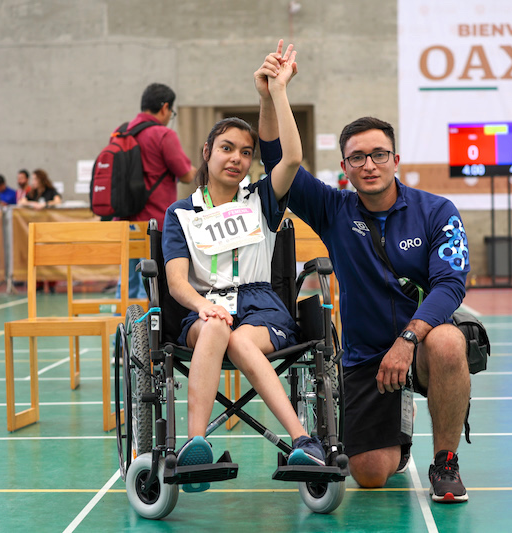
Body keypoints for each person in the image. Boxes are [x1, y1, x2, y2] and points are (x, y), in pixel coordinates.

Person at [259, 107, 471, 501]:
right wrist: (272, 96)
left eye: (379, 154)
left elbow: (450, 284)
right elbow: (277, 158)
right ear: (344, 166)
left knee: (448, 342)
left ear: (396, 160)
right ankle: (399, 436)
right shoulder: (332, 210)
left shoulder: (437, 211)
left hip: (420, 344)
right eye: (358, 157)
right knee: (370, 474)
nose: (369, 165)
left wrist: (408, 339)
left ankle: (445, 462)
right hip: (367, 357)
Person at [161, 41, 324, 491]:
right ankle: (195, 447)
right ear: (207, 153)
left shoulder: (261, 200)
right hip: (203, 307)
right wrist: (204, 306)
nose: (236, 158)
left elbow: (290, 157)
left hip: (260, 305)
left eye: (246, 152)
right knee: (217, 328)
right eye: (227, 148)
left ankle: (303, 440)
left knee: (241, 341)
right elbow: (177, 282)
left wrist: (275, 92)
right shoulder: (181, 214)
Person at [115, 82, 197, 301]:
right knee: (150, 285)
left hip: (124, 223)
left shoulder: (121, 133)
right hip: (154, 223)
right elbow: (186, 174)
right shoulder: (163, 135)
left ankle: (122, 330)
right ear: (164, 108)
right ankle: (147, 333)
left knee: (125, 286)